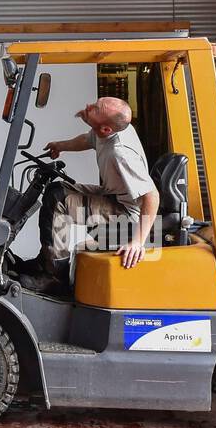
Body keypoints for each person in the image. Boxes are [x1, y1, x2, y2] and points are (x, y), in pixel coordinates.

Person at [19, 96, 160, 294]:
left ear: (106, 129)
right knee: (56, 190)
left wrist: (138, 242)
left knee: (59, 201)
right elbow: (87, 139)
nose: (88, 106)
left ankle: (55, 276)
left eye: (95, 108)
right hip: (113, 195)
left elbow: (151, 196)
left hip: (126, 215)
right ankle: (46, 261)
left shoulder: (121, 153)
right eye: (95, 103)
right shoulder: (105, 131)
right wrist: (60, 145)